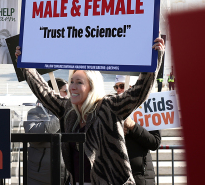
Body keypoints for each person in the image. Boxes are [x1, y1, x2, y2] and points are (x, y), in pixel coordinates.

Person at [15, 37, 164, 185]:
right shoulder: (68, 110)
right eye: (72, 81)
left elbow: (139, 92)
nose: (72, 87)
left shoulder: (108, 107)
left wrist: (154, 56)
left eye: (79, 82)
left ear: (92, 87)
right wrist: (25, 65)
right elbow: (44, 92)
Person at [113, 76, 161, 185]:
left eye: (121, 86)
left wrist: (133, 126)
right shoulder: (112, 107)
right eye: (116, 87)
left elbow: (155, 142)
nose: (118, 90)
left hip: (141, 176)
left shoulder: (148, 107)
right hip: (118, 175)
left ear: (133, 87)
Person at [24, 78, 67, 185]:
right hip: (40, 176)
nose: (68, 95)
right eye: (65, 91)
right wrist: (59, 115)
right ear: (53, 92)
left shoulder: (71, 111)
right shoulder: (35, 112)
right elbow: (33, 135)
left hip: (66, 175)